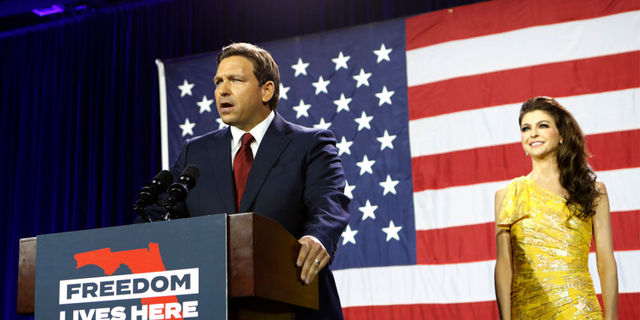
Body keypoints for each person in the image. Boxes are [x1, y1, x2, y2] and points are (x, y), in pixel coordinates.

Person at [150, 42, 350, 319]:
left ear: (266, 90)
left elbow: (329, 202)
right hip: (213, 303)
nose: (222, 90)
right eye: (218, 81)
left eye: (235, 80)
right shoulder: (195, 152)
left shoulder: (310, 143)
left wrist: (317, 236)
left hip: (293, 302)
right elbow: (162, 212)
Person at [494, 97, 618, 319]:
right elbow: (504, 266)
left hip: (580, 312)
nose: (533, 133)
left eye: (543, 125)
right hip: (527, 313)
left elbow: (605, 261)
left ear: (561, 135)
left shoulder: (593, 190)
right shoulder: (507, 195)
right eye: (526, 128)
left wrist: (611, 317)